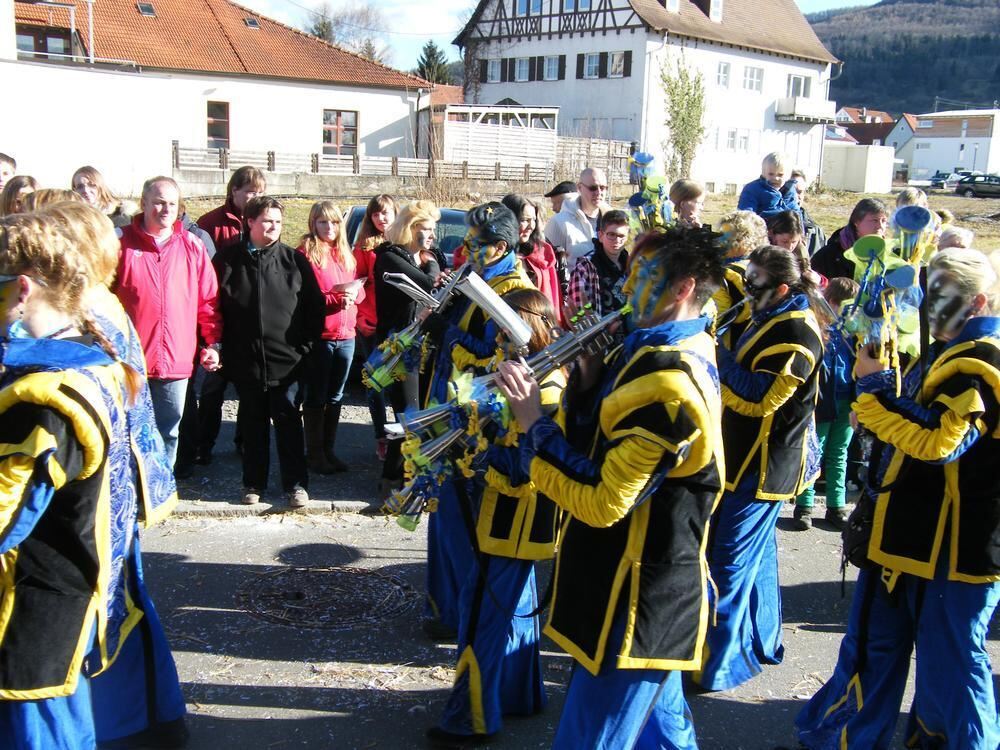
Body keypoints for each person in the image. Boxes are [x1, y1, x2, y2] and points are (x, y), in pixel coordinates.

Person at [496, 225, 728, 749]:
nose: (624, 292)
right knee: (664, 734)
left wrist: (535, 426)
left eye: (640, 278)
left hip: (637, 597)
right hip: (637, 588)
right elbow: (606, 442)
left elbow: (604, 502)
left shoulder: (667, 383)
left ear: (682, 288)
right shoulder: (662, 346)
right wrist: (587, 381)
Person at [797, 247, 1000, 750]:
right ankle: (845, 737)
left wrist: (876, 391)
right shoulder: (947, 348)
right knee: (877, 645)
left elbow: (941, 442)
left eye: (942, 297)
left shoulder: (983, 362)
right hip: (914, 535)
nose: (929, 308)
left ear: (975, 300)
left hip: (958, 545)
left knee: (952, 658)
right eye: (927, 295)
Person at [0, 210, 180, 749]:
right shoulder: (92, 355)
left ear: (23, 289)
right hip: (80, 570)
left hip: (39, 599)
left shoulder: (47, 395)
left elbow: (9, 513)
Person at [427, 288, 564, 747]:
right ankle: (519, 696)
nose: (499, 339)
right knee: (512, 612)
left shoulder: (548, 385)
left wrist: (476, 454)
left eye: (507, 329)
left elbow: (530, 465)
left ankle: (471, 719)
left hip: (513, 521)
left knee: (482, 616)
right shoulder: (525, 373)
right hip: (502, 517)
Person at [694, 245, 826, 692]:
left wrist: (713, 353)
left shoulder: (799, 334)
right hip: (742, 459)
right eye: (746, 281)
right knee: (756, 561)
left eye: (755, 285)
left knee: (727, 565)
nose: (746, 290)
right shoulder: (765, 314)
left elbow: (758, 398)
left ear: (783, 289)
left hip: (763, 468)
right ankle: (763, 641)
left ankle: (718, 663)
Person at [419, 202, 534, 637]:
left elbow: (501, 360)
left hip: (477, 425)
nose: (464, 247)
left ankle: (467, 618)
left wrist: (449, 330)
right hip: (450, 411)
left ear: (500, 246)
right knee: (444, 516)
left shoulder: (514, 289)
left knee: (463, 523)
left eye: (474, 242)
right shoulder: (480, 276)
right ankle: (447, 610)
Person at [215, 196, 324, 507]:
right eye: (266, 221)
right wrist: (224, 353)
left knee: (290, 424)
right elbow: (213, 308)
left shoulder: (294, 260)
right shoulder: (227, 261)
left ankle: (296, 486)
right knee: (252, 426)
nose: (273, 227)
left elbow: (313, 308)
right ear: (250, 222)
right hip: (245, 362)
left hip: (288, 363)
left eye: (277, 221)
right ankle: (253, 484)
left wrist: (304, 348)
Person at [115, 176, 222, 469]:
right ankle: (131, 498)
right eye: (159, 202)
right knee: (127, 435)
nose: (165, 209)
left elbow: (208, 302)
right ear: (144, 203)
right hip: (129, 362)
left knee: (168, 434)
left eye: (172, 204)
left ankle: (159, 495)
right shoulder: (119, 244)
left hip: (175, 360)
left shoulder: (192, 245)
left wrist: (213, 344)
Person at [372, 200, 442, 497]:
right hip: (398, 346)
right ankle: (392, 480)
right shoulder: (389, 256)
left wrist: (432, 262)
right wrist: (433, 265)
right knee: (407, 414)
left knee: (418, 413)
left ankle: (402, 476)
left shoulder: (421, 256)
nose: (431, 236)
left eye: (432, 229)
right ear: (410, 229)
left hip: (421, 343)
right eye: (425, 229)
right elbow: (429, 281)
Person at [298, 201, 364, 474]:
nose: (329, 228)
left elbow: (360, 288)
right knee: (316, 396)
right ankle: (313, 455)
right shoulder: (306, 253)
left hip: (347, 335)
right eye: (323, 222)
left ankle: (328, 450)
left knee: (336, 396)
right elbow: (304, 298)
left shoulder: (345, 254)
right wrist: (335, 299)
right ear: (313, 223)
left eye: (335, 222)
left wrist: (354, 295)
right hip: (321, 336)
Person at [792, 277, 860, 530]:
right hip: (821, 400)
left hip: (846, 399)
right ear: (831, 302)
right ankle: (804, 505)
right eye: (846, 306)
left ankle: (835, 506)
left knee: (838, 453)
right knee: (813, 451)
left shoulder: (855, 330)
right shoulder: (818, 325)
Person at [354, 193, 397, 460]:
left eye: (386, 212)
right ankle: (381, 435)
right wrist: (360, 317)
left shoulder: (403, 242)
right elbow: (356, 284)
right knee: (375, 383)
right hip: (371, 323)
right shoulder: (363, 248)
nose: (382, 218)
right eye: (376, 213)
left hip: (398, 324)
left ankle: (403, 435)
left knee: (400, 384)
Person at [713, 209, 768, 350]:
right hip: (759, 344)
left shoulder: (727, 275)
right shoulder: (768, 266)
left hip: (729, 349)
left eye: (726, 237)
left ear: (744, 241)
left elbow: (714, 319)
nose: (719, 241)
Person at [501, 193, 563, 317]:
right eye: (524, 220)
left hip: (538, 324)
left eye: (533, 220)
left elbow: (553, 298)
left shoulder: (542, 253)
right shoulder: (492, 256)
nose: (531, 226)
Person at [568, 208, 630, 316]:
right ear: (601, 235)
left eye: (621, 236)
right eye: (611, 235)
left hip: (632, 329)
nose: (617, 240)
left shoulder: (632, 264)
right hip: (601, 330)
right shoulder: (586, 266)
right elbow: (578, 311)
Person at [811, 198, 888, 282]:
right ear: (856, 222)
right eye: (874, 220)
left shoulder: (890, 253)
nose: (880, 226)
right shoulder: (828, 256)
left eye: (883, 221)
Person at [545, 167, 610, 265]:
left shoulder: (612, 220)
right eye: (593, 188)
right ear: (580, 188)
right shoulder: (559, 222)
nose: (598, 192)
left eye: (603, 188)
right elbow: (549, 266)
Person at [196, 165, 266, 250]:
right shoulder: (208, 223)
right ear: (234, 190)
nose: (257, 197)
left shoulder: (268, 221)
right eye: (252, 192)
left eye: (261, 192)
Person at [738, 152, 800, 220]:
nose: (775, 178)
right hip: (761, 225)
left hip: (784, 227)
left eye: (780, 175)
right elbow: (746, 213)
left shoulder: (789, 191)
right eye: (771, 174)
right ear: (763, 173)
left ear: (788, 176)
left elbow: (796, 214)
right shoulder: (753, 189)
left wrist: (799, 229)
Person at [71, 165, 138, 228]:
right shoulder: (71, 220)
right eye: (80, 187)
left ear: (100, 186)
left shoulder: (120, 216)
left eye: (91, 185)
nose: (86, 190)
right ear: (74, 190)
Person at [788, 169, 826, 257]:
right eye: (791, 191)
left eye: (799, 192)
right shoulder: (768, 227)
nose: (795, 196)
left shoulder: (815, 232)